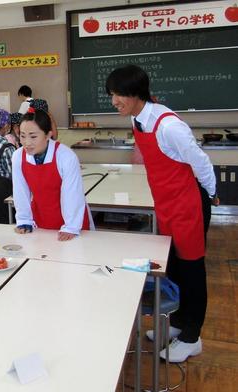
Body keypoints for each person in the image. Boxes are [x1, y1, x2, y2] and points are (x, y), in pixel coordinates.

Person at [106, 64, 218, 362]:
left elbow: (201, 161)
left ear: (136, 93)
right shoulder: (138, 119)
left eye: (118, 95)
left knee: (193, 271)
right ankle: (180, 323)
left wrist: (210, 193)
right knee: (176, 267)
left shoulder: (168, 125)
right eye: (112, 95)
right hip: (166, 203)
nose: (113, 101)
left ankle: (193, 337)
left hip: (189, 203)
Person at [12, 110, 91, 241]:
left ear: (48, 135)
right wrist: (24, 220)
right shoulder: (18, 156)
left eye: (33, 136)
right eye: (22, 136)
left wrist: (71, 227)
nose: (26, 142)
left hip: (72, 222)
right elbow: (20, 191)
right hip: (40, 221)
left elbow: (72, 194)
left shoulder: (65, 156)